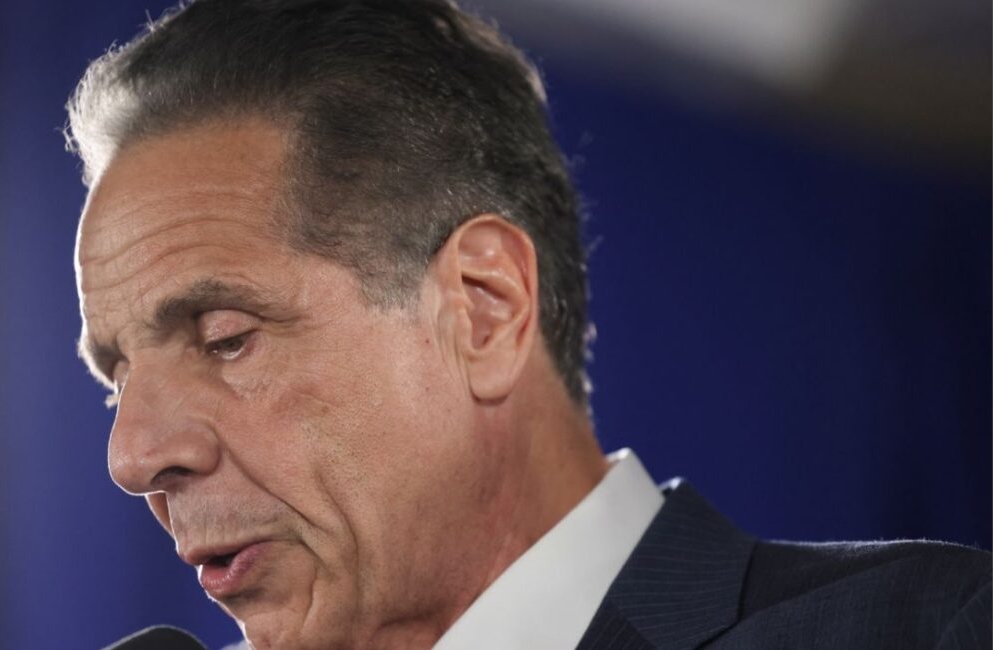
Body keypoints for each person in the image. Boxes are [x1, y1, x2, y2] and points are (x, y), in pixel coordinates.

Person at [65, 1, 991, 648]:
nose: (133, 456)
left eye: (226, 337)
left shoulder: (930, 629)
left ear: (482, 307)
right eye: (115, 379)